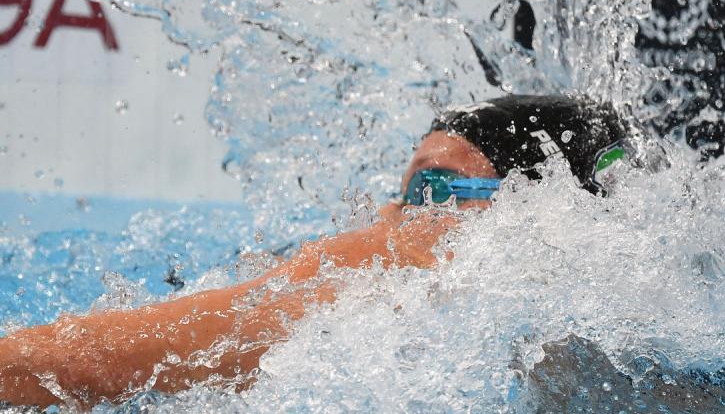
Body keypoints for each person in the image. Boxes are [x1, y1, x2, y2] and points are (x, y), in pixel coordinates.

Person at [0, 95, 625, 408]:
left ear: (536, 210)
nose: (388, 215)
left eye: (428, 189)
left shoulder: (381, 267)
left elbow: (90, 364)